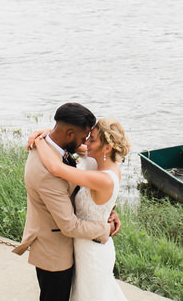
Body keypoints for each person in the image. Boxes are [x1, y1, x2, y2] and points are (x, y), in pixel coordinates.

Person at [13, 103, 121, 301]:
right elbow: (69, 225)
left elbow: (87, 188)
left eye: (91, 139)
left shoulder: (59, 147)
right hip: (54, 250)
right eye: (84, 137)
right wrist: (103, 229)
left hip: (81, 249)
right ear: (70, 133)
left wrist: (106, 210)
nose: (86, 143)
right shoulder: (47, 170)